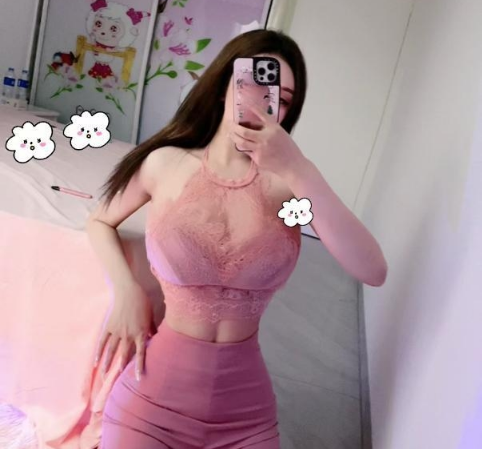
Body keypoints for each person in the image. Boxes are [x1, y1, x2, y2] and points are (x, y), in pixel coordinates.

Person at [86, 29, 387, 449]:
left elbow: (372, 270)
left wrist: (299, 169)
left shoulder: (289, 187)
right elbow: (100, 221)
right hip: (150, 402)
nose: (265, 103)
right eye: (252, 85)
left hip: (244, 416)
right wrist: (126, 290)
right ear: (222, 86)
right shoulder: (166, 164)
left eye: (281, 99)